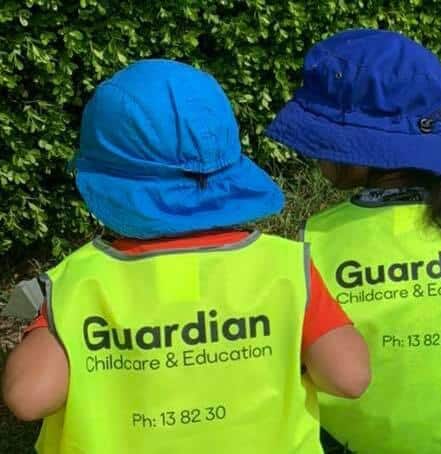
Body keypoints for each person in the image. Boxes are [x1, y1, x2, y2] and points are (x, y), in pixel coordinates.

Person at [1, 59, 370, 454]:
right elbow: (349, 378)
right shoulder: (285, 268)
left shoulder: (77, 282)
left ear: (109, 183)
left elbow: (29, 397)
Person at [266, 30, 441, 454]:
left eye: (321, 140)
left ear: (359, 153)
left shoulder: (315, 241)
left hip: (362, 436)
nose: (315, 153)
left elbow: (310, 364)